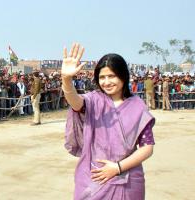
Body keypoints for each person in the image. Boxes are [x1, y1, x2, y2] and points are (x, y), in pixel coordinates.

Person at [62, 43, 155, 200]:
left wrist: (117, 168)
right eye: (102, 77)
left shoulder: (138, 107)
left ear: (123, 76)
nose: (106, 82)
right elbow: (75, 102)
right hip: (94, 180)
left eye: (112, 76)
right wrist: (66, 79)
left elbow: (147, 148)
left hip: (129, 182)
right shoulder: (93, 101)